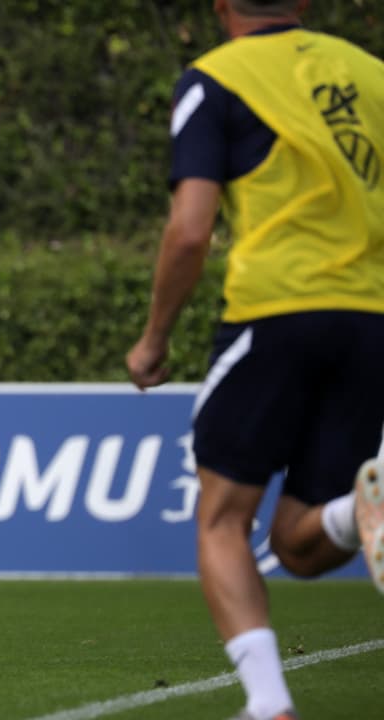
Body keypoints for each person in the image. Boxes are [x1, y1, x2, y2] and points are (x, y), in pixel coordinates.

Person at [125, 1, 384, 717]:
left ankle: (269, 705)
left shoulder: (213, 79)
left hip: (277, 315)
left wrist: (154, 340)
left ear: (220, 6)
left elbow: (189, 232)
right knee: (301, 545)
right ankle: (365, 505)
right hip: (371, 322)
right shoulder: (372, 74)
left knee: (220, 520)